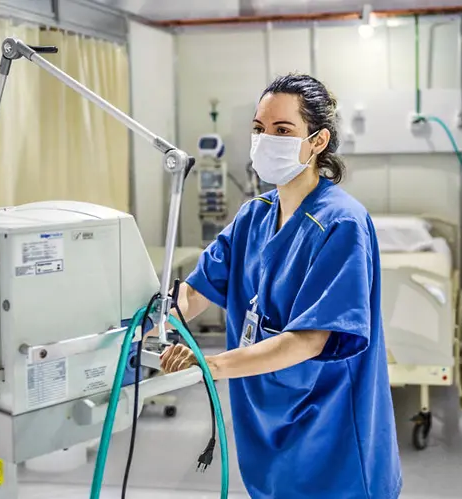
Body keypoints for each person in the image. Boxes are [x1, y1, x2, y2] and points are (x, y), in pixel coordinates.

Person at [159, 73, 402, 498]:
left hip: (331, 436)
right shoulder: (253, 217)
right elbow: (195, 292)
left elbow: (309, 339)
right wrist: (151, 323)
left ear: (318, 141)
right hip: (267, 434)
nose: (265, 140)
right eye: (258, 128)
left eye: (282, 130)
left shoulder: (341, 224)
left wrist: (211, 364)